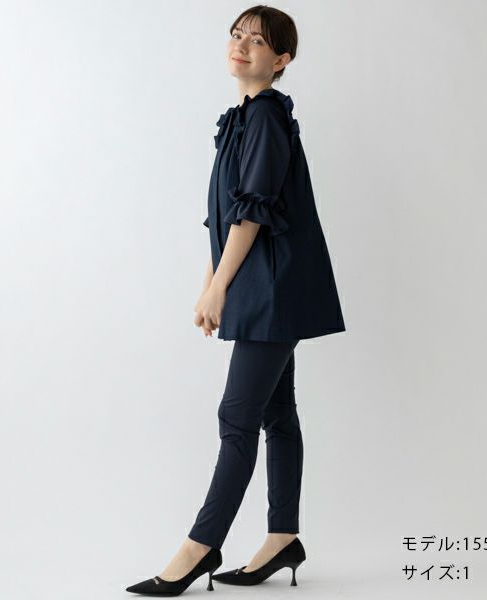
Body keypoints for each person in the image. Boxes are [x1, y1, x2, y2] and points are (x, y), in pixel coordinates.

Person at [126, 5, 345, 596]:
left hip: (272, 286)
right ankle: (283, 538)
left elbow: (251, 214)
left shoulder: (267, 116)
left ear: (282, 60)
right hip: (262, 284)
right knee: (277, 414)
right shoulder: (242, 119)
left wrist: (219, 286)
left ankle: (199, 547)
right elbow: (224, 219)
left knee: (237, 417)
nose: (242, 45)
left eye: (259, 41)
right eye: (237, 34)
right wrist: (210, 284)